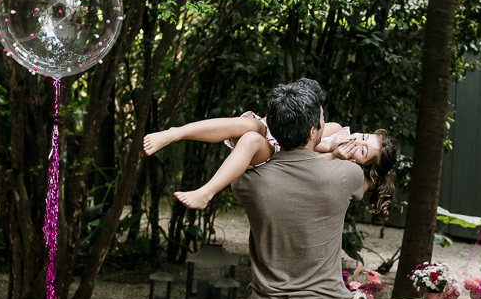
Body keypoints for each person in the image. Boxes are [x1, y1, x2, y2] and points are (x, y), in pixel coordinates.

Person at [227, 79, 379, 299]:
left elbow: (248, 156)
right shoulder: (345, 175)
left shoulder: (248, 181)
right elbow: (366, 179)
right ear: (315, 129)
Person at [143, 78, 396, 216]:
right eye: (363, 136)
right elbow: (311, 141)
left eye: (363, 150)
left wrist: (333, 155)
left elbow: (303, 162)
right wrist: (330, 145)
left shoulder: (348, 171)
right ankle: (175, 133)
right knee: (251, 125)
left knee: (252, 139)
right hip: (280, 134)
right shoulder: (335, 130)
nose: (356, 142)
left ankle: (206, 192)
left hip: (275, 156)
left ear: (360, 163)